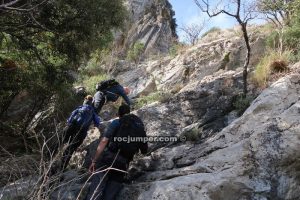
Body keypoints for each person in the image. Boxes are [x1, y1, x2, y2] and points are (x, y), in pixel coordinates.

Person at [85, 105, 148, 200]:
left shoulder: (117, 122)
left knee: (95, 191)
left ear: (119, 114)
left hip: (108, 159)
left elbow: (104, 141)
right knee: (110, 195)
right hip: (123, 164)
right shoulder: (137, 127)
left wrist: (94, 161)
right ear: (129, 112)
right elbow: (144, 151)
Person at [60, 95, 101, 171]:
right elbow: (97, 123)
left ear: (85, 100)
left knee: (60, 142)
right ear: (92, 102)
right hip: (81, 132)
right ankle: (62, 167)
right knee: (70, 149)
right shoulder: (92, 112)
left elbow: (70, 119)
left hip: (70, 128)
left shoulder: (79, 108)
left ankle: (49, 160)